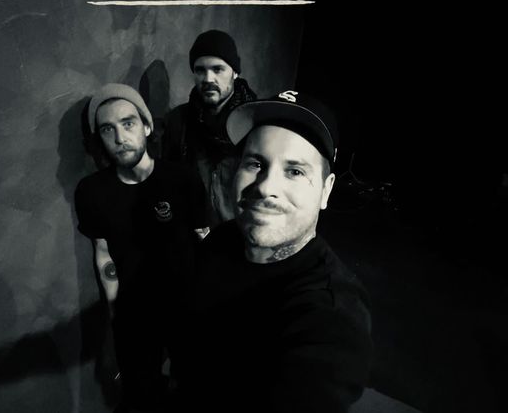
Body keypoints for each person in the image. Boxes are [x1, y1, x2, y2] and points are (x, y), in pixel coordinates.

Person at [172, 91, 373, 413]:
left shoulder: (330, 317)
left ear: (326, 190)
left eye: (295, 171)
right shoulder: (224, 239)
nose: (265, 187)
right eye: (255, 163)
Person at [74, 83, 208, 411]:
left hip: (185, 304)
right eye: (108, 129)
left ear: (147, 126)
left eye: (128, 123)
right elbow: (103, 252)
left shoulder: (182, 178)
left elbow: (203, 237)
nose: (120, 137)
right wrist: (114, 310)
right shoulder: (91, 192)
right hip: (133, 313)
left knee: (196, 385)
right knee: (141, 395)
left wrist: (207, 301)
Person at [162, 29, 257, 227]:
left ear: (235, 72)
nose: (207, 79)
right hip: (195, 234)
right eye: (200, 70)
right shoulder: (179, 121)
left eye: (217, 69)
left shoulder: (256, 122)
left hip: (241, 234)